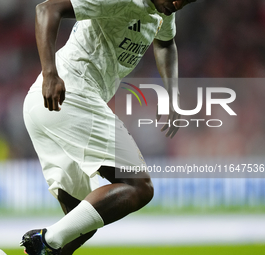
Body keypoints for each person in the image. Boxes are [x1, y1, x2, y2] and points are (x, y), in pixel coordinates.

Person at [21, 0, 196, 254]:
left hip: (46, 105)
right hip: (70, 93)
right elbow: (46, 9)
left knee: (78, 226)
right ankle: (45, 240)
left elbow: (166, 43)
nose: (179, 3)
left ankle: (47, 245)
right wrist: (50, 73)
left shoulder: (163, 9)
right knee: (139, 186)